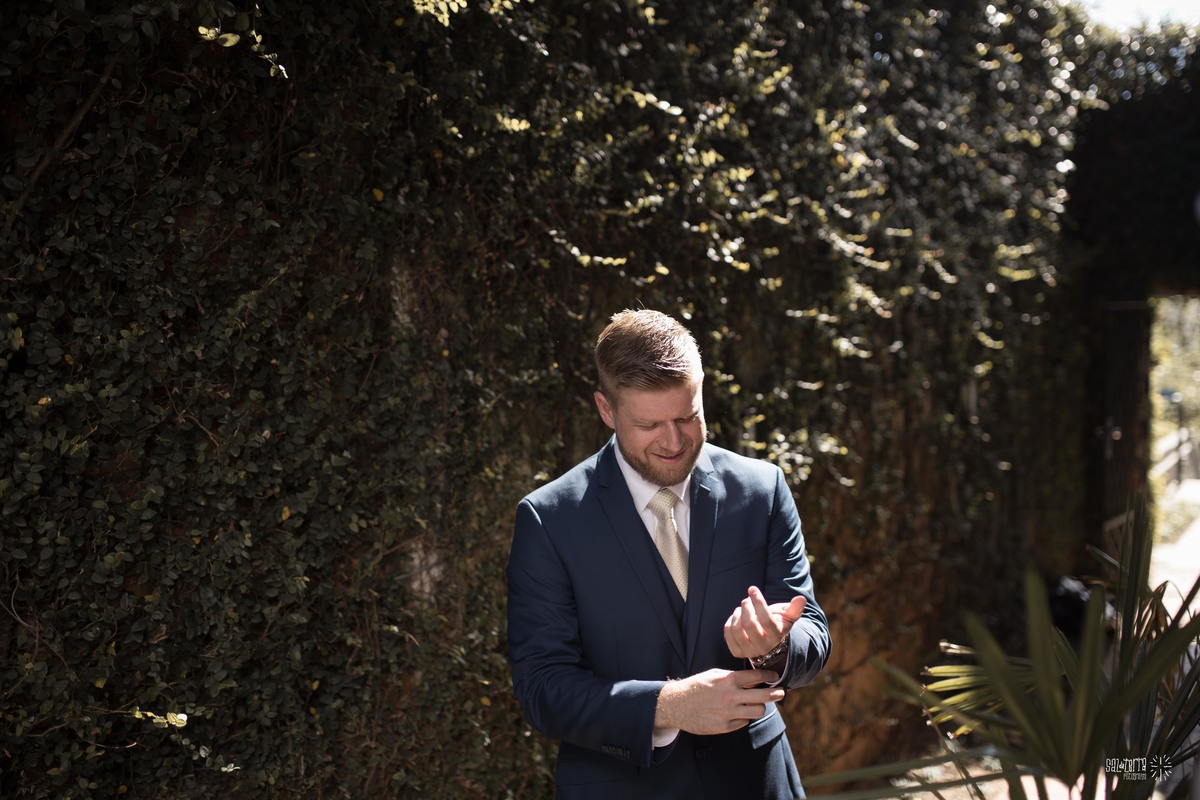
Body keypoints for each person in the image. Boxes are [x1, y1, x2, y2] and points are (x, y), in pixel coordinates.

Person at [506, 309, 831, 799]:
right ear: (606, 409)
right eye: (649, 424)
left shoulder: (760, 489)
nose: (674, 441)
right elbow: (542, 690)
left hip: (756, 781)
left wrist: (774, 644)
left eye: (687, 416)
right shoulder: (548, 520)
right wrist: (670, 706)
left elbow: (814, 635)